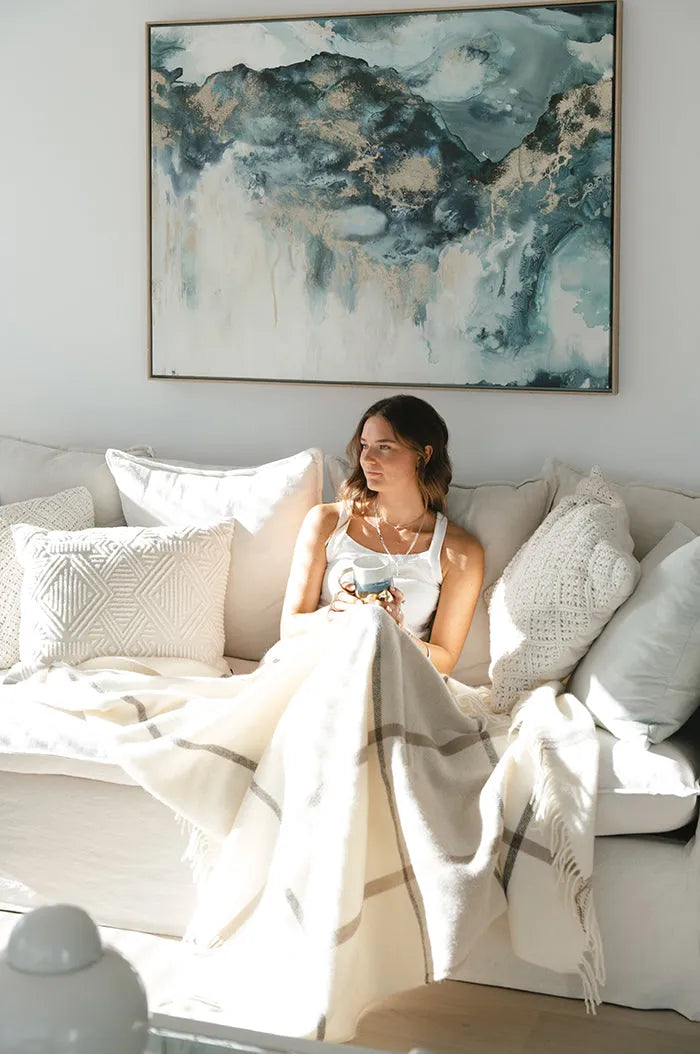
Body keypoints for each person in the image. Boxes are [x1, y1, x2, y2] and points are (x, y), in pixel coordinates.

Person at [281, 394, 484, 675]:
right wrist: (335, 612)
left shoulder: (460, 551)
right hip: (323, 668)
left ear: (424, 455)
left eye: (385, 447)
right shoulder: (327, 522)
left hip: (397, 678)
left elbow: (445, 659)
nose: (368, 459)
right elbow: (290, 627)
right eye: (365, 446)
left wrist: (395, 632)